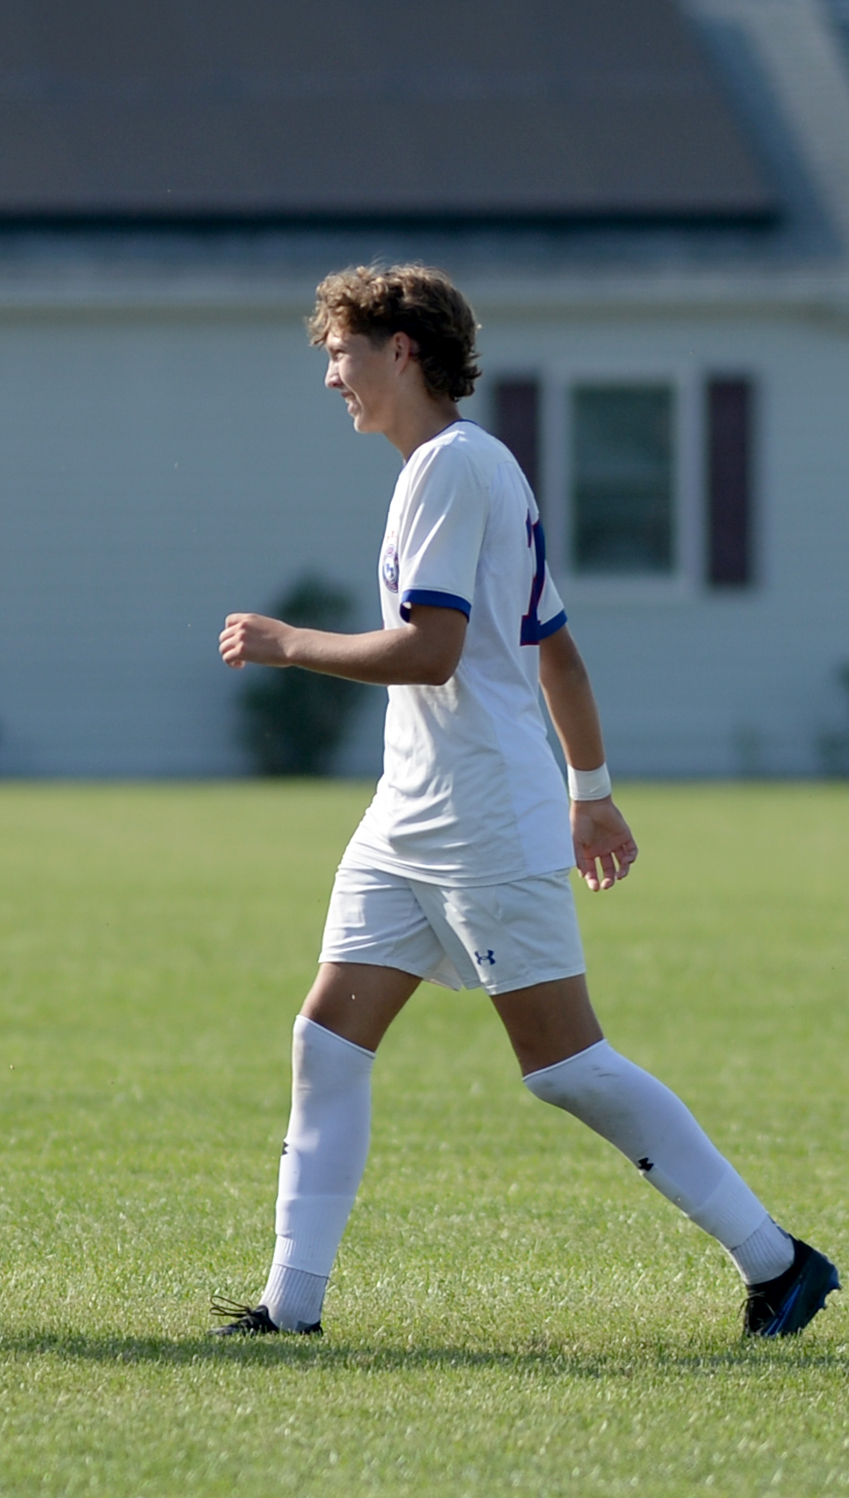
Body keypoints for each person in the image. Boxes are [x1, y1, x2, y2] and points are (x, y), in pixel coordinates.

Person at [212, 263, 836, 1339]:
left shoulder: (454, 467)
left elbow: (433, 647)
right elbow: (559, 654)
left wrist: (288, 644)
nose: (330, 377)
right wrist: (592, 793)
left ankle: (780, 1263)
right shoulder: (464, 467)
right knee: (327, 1038)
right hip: (409, 814)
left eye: (340, 351)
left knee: (564, 1068)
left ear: (401, 348)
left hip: (483, 813)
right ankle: (289, 1309)